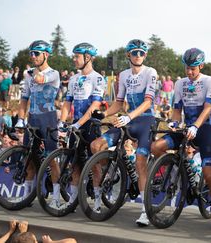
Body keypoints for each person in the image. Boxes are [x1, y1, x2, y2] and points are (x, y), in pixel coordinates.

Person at [151, 48, 211, 229]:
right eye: (187, 68)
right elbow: (177, 110)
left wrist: (196, 126)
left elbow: (208, 108)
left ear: (201, 66)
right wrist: (175, 123)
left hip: (204, 128)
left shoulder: (210, 81)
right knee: (157, 147)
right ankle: (179, 169)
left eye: (193, 68)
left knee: (208, 174)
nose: (189, 72)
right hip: (186, 128)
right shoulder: (180, 84)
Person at [90, 39, 157, 225]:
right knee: (96, 145)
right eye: (135, 52)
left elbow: (148, 102)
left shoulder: (150, 72)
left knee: (141, 161)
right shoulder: (124, 75)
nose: (138, 56)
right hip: (128, 119)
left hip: (145, 121)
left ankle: (145, 211)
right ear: (128, 55)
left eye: (142, 53)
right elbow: (119, 103)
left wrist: (128, 117)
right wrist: (104, 113)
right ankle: (99, 194)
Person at [48, 43, 106, 210]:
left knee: (94, 165)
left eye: (77, 56)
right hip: (75, 125)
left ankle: (97, 202)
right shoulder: (73, 79)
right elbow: (67, 103)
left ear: (87, 58)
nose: (74, 59)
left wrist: (79, 123)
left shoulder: (98, 78)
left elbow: (95, 104)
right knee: (75, 164)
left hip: (90, 125)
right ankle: (73, 200)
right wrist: (62, 122)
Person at [15, 40, 60, 200]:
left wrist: (30, 72)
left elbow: (40, 79)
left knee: (51, 159)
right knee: (29, 159)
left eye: (36, 53)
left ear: (46, 55)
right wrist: (21, 119)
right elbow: (23, 99)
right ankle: (26, 196)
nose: (32, 56)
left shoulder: (54, 73)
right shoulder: (28, 75)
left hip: (48, 120)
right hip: (32, 119)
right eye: (31, 53)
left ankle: (56, 198)